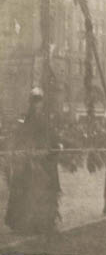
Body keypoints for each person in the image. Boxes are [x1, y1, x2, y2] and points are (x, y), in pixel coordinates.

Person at [4, 88, 61, 234]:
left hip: (44, 160)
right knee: (27, 191)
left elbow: (50, 137)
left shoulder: (44, 119)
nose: (38, 104)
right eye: (35, 101)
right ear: (31, 103)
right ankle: (25, 222)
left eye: (39, 101)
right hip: (30, 162)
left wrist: (54, 146)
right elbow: (22, 138)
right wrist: (30, 151)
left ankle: (42, 222)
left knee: (44, 190)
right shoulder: (27, 120)